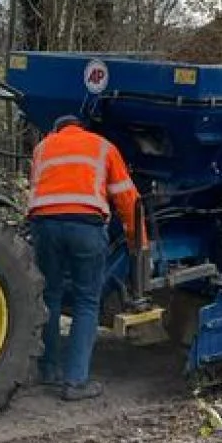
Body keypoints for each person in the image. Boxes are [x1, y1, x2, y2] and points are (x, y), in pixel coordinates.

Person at [26, 111, 143, 401]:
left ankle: (49, 369)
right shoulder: (102, 146)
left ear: (56, 129)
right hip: (85, 227)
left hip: (45, 227)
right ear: (82, 128)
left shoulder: (42, 147)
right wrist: (137, 241)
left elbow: (36, 188)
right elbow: (127, 198)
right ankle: (76, 381)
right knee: (87, 302)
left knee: (50, 296)